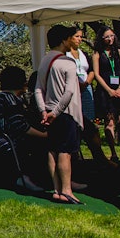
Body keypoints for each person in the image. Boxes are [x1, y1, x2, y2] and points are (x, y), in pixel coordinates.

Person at [33, 24, 84, 205]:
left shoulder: (45, 60)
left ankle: (56, 190)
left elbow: (38, 89)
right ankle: (67, 190)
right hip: (65, 113)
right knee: (65, 152)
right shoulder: (68, 62)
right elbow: (69, 92)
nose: (74, 39)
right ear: (64, 40)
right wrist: (55, 112)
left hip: (48, 112)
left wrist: (44, 111)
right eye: (71, 37)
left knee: (52, 151)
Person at [0, 65, 48, 191]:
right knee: (40, 142)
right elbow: (20, 127)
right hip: (4, 140)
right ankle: (24, 178)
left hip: (2, 137)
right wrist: (44, 135)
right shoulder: (10, 101)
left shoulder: (7, 97)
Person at [69, 27, 111, 168]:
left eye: (81, 36)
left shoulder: (83, 53)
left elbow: (92, 70)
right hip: (72, 90)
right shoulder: (64, 54)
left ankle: (98, 157)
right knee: (75, 123)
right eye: (77, 36)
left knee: (89, 122)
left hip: (86, 88)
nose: (79, 39)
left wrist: (87, 82)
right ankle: (75, 155)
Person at [91, 23, 120, 164]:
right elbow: (96, 74)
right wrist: (109, 90)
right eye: (107, 37)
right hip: (105, 91)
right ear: (101, 38)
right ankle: (113, 153)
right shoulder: (97, 54)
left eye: (112, 36)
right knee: (110, 122)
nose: (110, 39)